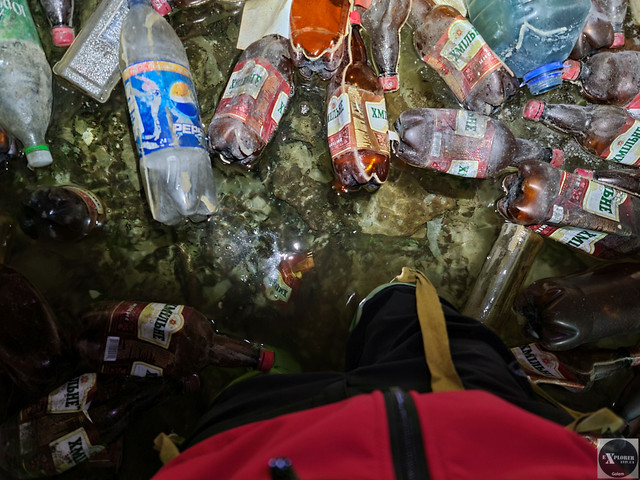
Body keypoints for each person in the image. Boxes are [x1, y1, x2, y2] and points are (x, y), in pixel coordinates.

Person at [151, 268, 600, 479]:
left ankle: (266, 373)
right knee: (403, 306)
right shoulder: (613, 463)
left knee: (396, 302)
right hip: (485, 424)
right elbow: (618, 462)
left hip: (261, 450)